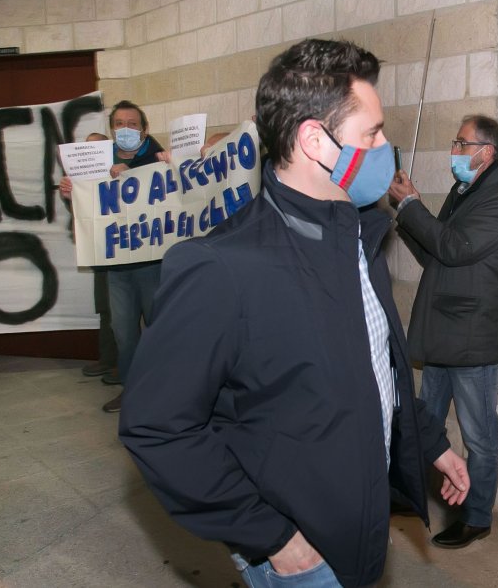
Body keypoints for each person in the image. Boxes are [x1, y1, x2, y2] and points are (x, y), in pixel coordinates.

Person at [118, 38, 469, 588]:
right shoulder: (220, 268)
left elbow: (375, 367)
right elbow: (157, 427)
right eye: (372, 133)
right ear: (314, 140)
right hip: (303, 558)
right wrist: (273, 539)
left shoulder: (357, 237)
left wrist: (431, 444)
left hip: (365, 524)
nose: (385, 148)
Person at [386, 115, 498, 549]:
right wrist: (406, 217)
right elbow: (438, 254)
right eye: (455, 142)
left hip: (471, 339)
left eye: (462, 143)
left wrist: (412, 207)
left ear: (487, 152)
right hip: (443, 332)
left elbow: (453, 247)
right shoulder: (466, 190)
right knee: (423, 420)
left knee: (479, 434)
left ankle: (478, 515)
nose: (455, 151)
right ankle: (412, 493)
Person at [58, 100, 171, 413]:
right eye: (119, 124)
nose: (125, 129)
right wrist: (71, 194)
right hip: (116, 266)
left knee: (161, 329)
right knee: (124, 333)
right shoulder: (94, 162)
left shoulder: (159, 159)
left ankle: (168, 392)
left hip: (152, 263)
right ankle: (132, 392)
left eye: (132, 124)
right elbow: (86, 211)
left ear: (144, 129)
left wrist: (139, 171)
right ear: (111, 130)